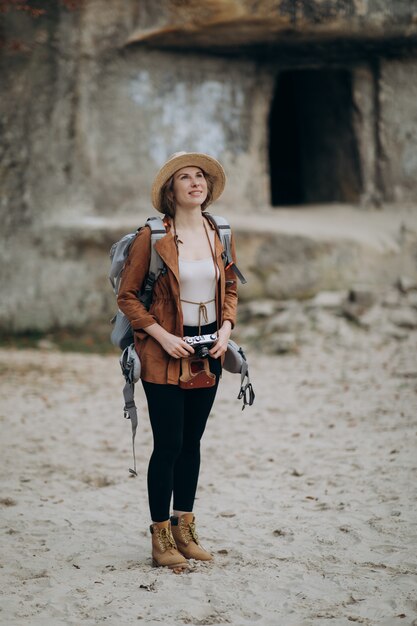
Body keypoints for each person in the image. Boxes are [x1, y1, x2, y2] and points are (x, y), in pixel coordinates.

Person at [117, 151, 238, 572]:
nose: (195, 182)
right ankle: (160, 538)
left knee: (192, 443)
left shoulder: (219, 231)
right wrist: (163, 337)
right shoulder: (151, 238)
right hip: (164, 353)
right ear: (171, 191)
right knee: (168, 444)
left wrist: (226, 329)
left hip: (210, 354)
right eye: (184, 177)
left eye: (200, 176)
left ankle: (185, 529)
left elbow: (231, 289)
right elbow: (127, 297)